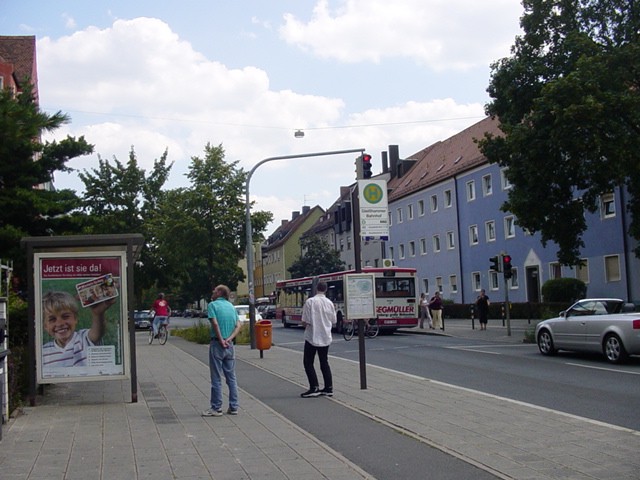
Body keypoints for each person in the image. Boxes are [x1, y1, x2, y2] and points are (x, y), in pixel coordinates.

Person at [42, 290, 115, 368]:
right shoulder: (44, 352)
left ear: (75, 318)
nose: (60, 323)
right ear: (45, 326)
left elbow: (97, 333)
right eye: (52, 319)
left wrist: (97, 314)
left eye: (65, 316)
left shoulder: (83, 338)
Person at [202, 284, 242, 416]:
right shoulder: (231, 307)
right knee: (231, 377)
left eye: (214, 291)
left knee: (216, 377)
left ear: (219, 293)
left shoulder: (212, 305)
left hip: (217, 344)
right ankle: (234, 406)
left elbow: (214, 323)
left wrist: (221, 339)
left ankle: (216, 407)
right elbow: (238, 325)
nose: (212, 293)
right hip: (230, 346)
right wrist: (229, 339)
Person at [300, 281, 336, 398]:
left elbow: (305, 321)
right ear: (326, 290)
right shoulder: (329, 303)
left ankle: (314, 387)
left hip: (312, 336)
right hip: (325, 336)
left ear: (316, 289)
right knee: (324, 362)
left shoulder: (310, 302)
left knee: (308, 362)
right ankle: (328, 387)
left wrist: (307, 326)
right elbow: (333, 320)